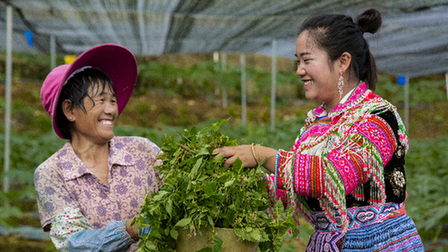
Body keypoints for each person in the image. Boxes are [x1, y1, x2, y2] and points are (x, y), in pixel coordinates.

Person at [214, 8, 424, 251]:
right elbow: (290, 185)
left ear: (342, 62)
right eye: (297, 62)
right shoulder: (315, 125)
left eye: (306, 60)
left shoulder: (377, 117)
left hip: (378, 244)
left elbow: (335, 176)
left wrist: (262, 155)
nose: (299, 70)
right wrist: (236, 181)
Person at [35, 44, 161, 252]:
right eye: (101, 101)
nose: (111, 110)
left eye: (113, 100)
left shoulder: (142, 150)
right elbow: (75, 244)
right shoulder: (52, 173)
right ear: (69, 110)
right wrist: (131, 230)